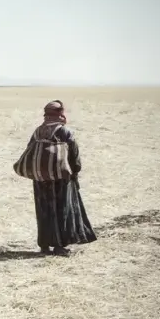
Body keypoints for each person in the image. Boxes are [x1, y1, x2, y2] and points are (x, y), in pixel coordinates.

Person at [30, 100, 97, 256]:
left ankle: (44, 246)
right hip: (61, 180)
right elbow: (75, 158)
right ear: (59, 114)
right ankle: (60, 246)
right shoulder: (65, 132)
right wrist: (74, 173)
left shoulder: (38, 132)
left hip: (40, 180)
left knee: (43, 212)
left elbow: (30, 151)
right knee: (62, 211)